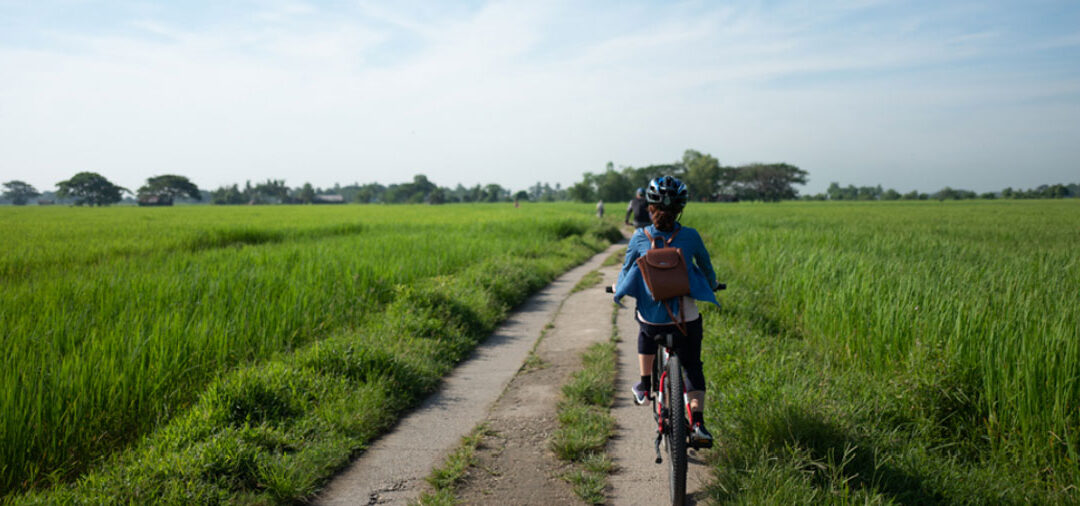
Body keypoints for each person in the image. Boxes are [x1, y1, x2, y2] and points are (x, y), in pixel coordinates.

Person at [612, 175, 719, 447]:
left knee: (644, 325)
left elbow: (626, 272)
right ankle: (698, 423)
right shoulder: (691, 236)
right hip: (685, 320)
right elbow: (706, 268)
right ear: (680, 209)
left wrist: (618, 287)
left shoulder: (639, 236)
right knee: (692, 365)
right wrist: (712, 284)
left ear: (649, 207)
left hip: (653, 322)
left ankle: (645, 386)